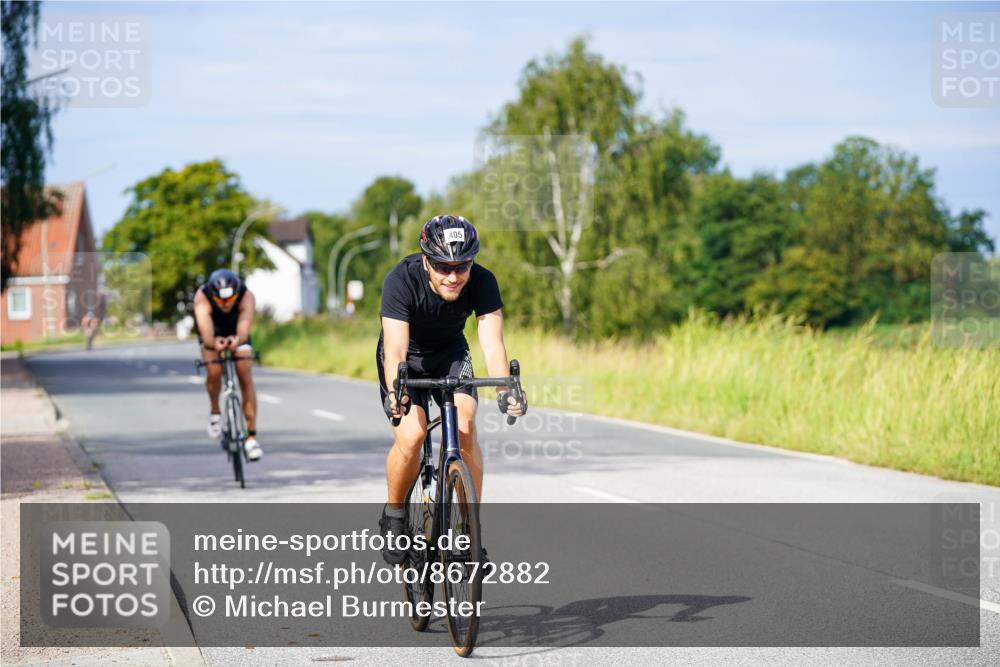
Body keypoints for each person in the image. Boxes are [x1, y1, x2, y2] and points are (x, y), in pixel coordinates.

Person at [376, 214, 527, 564]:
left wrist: (507, 390)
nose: (453, 276)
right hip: (405, 361)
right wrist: (395, 393)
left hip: (451, 355)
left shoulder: (484, 281)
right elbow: (395, 348)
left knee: (465, 426)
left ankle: (465, 531)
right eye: (443, 266)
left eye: (462, 266)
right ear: (426, 260)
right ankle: (395, 515)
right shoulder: (400, 279)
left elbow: (492, 344)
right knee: (412, 437)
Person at [193, 269, 262, 461]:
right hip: (212, 333)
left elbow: (244, 327)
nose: (225, 305)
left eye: (230, 300)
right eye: (221, 301)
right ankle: (215, 412)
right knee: (214, 370)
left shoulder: (246, 296)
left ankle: (251, 437)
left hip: (236, 331)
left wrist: (237, 340)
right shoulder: (202, 297)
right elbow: (206, 333)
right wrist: (213, 343)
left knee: (245, 373)